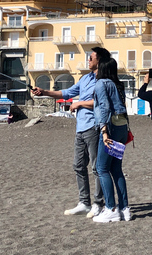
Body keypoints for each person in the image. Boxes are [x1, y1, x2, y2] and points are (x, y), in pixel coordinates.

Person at [33, 47, 110, 219]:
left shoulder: (104, 80)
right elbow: (66, 93)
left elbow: (102, 103)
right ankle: (84, 202)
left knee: (97, 167)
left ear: (99, 60)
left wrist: (80, 103)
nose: (88, 60)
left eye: (91, 58)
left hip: (94, 126)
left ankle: (99, 203)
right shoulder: (84, 79)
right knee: (78, 165)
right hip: (80, 128)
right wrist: (44, 92)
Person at [92, 58, 130, 223]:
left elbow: (104, 107)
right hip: (122, 125)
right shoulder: (118, 84)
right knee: (116, 169)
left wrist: (104, 131)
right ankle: (125, 209)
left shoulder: (102, 84)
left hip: (111, 127)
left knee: (102, 168)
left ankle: (110, 208)